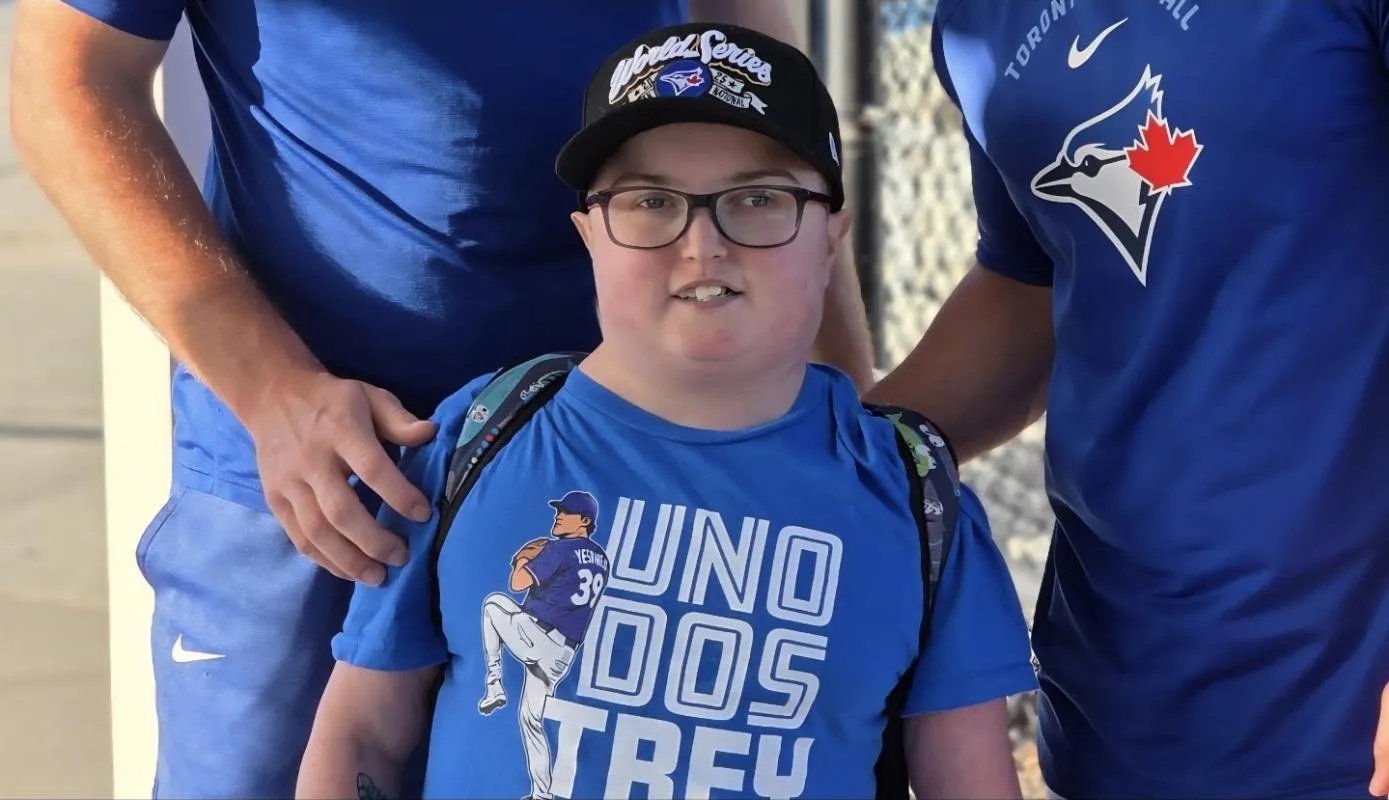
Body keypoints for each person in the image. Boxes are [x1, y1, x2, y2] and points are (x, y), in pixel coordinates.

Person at [8, 0, 878, 796]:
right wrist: (274, 393)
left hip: (630, 447)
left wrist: (843, 402)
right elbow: (66, 78)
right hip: (327, 469)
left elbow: (755, 70)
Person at [294, 22, 1037, 800]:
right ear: (589, 235)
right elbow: (362, 733)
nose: (702, 244)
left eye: (757, 199)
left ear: (830, 239)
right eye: (650, 201)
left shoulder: (915, 499)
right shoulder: (480, 437)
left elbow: (971, 782)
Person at [866, 2, 1389, 798]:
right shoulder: (975, 21)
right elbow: (1029, 288)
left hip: (1340, 715)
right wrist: (817, 470)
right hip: (1115, 707)